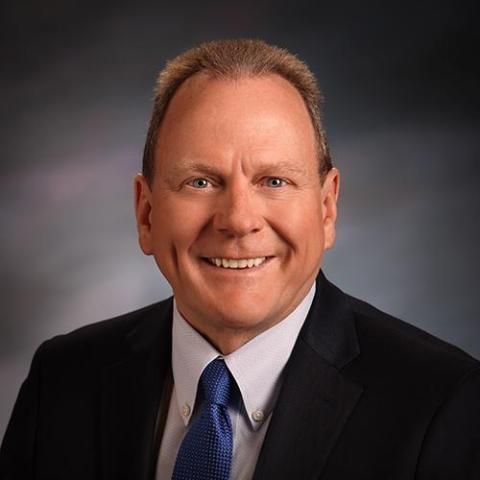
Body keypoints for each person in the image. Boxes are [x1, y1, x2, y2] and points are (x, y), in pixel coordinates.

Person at [1, 39, 479, 480]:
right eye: (200, 182)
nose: (238, 220)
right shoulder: (62, 382)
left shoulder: (442, 404)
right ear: (146, 214)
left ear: (327, 208)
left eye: (274, 181)